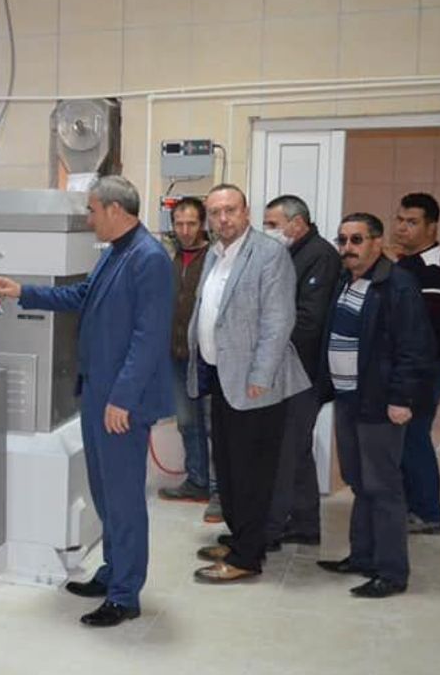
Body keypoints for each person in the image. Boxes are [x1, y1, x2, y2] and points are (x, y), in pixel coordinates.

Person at [0, 175, 173, 628]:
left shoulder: (149, 258)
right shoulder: (114, 253)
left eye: (91, 210)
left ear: (115, 210)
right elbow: (82, 297)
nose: (88, 219)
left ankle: (125, 595)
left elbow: (149, 338)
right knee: (106, 493)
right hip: (96, 393)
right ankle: (113, 572)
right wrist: (23, 291)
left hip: (120, 401)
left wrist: (122, 399)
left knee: (124, 500)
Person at [185, 184, 310, 583]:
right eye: (215, 212)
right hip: (221, 376)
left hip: (256, 383)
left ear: (246, 212)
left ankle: (247, 557)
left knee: (252, 473)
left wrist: (261, 375)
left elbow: (278, 320)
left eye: (230, 210)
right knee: (228, 466)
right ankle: (240, 536)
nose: (223, 219)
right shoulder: (216, 254)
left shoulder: (269, 253)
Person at [316, 213, 434, 598]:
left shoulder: (397, 285)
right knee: (359, 482)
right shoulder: (345, 281)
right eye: (343, 240)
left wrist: (402, 399)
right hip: (348, 399)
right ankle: (362, 556)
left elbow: (414, 348)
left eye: (357, 239)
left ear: (377, 243)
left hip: (381, 403)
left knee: (383, 487)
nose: (348, 248)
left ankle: (392, 572)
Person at [262, 195, 341, 549]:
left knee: (284, 451)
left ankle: (270, 529)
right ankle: (305, 523)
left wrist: (265, 343)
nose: (268, 231)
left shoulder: (320, 256)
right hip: (288, 369)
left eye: (273, 224)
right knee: (297, 449)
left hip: (302, 372)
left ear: (297, 223)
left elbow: (309, 321)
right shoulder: (290, 255)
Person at [391, 192, 440, 535]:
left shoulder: (433, 270)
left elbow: (428, 331)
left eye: (412, 222)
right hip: (415, 365)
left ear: (431, 227)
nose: (402, 227)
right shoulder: (409, 263)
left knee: (414, 436)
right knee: (406, 438)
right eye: (400, 220)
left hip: (424, 366)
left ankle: (428, 513)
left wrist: (413, 373)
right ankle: (411, 507)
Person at [157, 197, 213, 506]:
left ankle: (219, 489)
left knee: (212, 424)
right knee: (187, 422)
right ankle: (197, 481)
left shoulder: (215, 256)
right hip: (176, 354)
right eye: (179, 224)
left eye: (191, 223)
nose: (185, 230)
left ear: (202, 224)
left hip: (206, 357)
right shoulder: (168, 256)